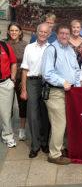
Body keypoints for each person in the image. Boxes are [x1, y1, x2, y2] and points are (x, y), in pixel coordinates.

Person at [41, 23, 80, 165]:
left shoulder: (70, 49)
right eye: (62, 33)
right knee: (59, 123)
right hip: (55, 92)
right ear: (56, 35)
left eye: (66, 33)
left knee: (66, 122)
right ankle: (54, 154)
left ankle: (61, 147)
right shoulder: (51, 50)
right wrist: (62, 81)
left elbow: (76, 69)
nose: (64, 36)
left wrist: (77, 84)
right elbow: (47, 73)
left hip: (70, 92)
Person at [20, 23, 51, 158]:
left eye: (45, 32)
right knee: (33, 115)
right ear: (37, 32)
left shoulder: (51, 48)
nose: (43, 34)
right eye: (41, 32)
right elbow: (24, 69)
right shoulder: (29, 48)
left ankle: (44, 143)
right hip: (32, 82)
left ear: (49, 34)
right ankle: (35, 145)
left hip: (46, 83)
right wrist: (23, 89)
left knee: (45, 114)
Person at [7, 23, 28, 141]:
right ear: (8, 32)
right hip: (7, 79)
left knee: (22, 104)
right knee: (7, 105)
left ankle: (22, 128)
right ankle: (8, 128)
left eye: (16, 30)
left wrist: (25, 80)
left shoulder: (25, 45)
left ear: (20, 32)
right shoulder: (5, 44)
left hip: (21, 78)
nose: (14, 32)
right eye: (12, 30)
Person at [0, 28, 17, 147]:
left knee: (5, 113)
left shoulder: (5, 46)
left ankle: (7, 136)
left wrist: (12, 79)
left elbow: (14, 62)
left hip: (4, 83)